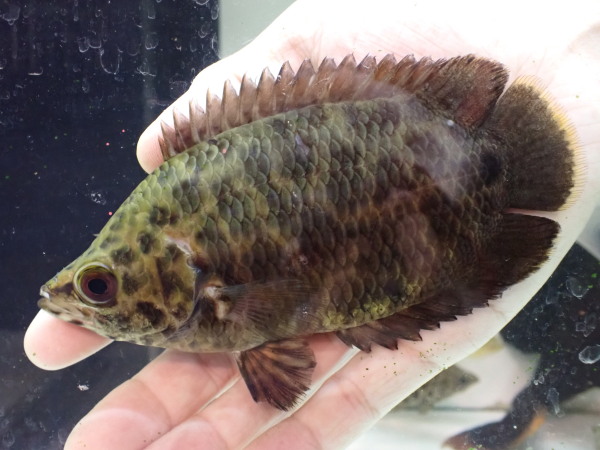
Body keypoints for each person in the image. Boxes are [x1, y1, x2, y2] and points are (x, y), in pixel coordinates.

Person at [24, 0, 600, 448]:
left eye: (99, 285)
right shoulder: (176, 218)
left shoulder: (195, 256)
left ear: (184, 267)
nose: (84, 297)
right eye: (96, 285)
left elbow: (278, 339)